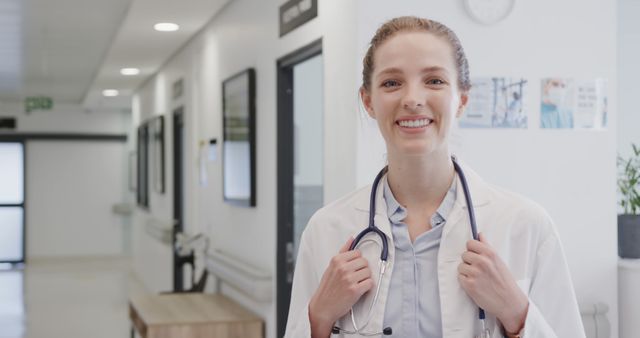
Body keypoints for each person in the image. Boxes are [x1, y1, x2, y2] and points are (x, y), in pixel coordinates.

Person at [284, 16, 585, 338]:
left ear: (462, 100)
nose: (413, 99)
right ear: (368, 101)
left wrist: (516, 313)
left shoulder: (526, 226)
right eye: (391, 83)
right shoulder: (326, 229)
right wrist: (319, 318)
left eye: (434, 81)